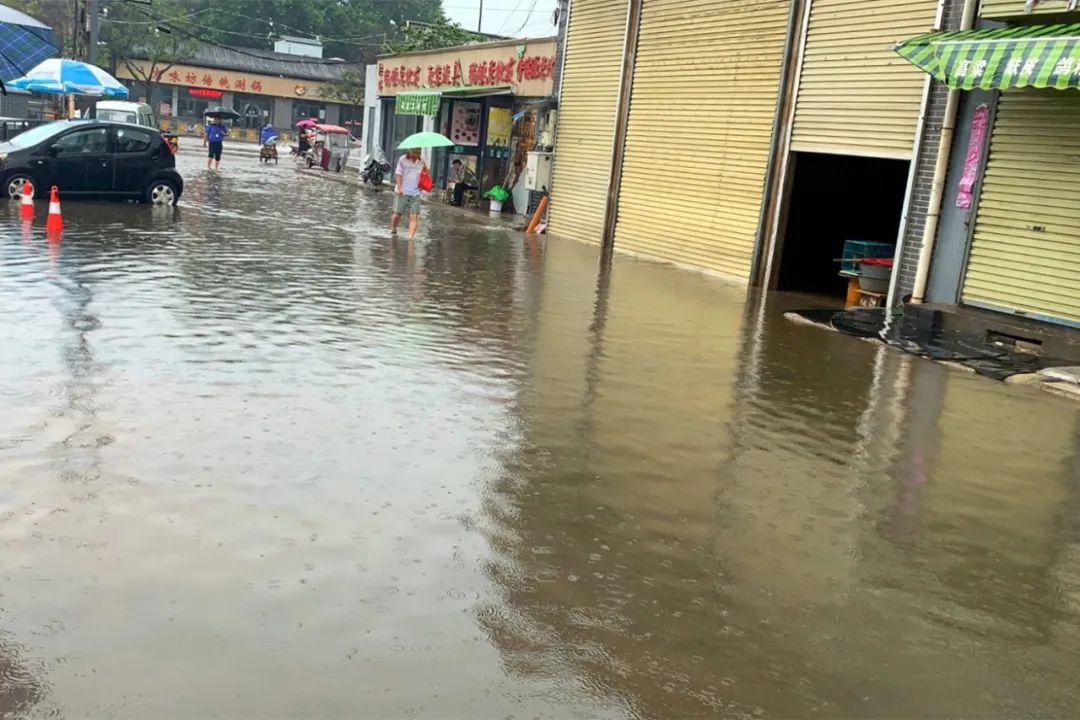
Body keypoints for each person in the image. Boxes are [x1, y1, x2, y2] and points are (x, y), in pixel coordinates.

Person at [391, 148, 426, 240]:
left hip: (416, 192)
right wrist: (399, 188)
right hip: (402, 191)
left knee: (413, 215)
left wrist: (422, 184)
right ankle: (394, 227)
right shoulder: (402, 159)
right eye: (414, 152)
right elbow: (398, 174)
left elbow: (424, 175)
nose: (416, 154)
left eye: (418, 152)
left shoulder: (422, 161)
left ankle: (411, 237)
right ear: (409, 151)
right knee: (397, 215)